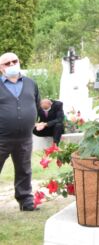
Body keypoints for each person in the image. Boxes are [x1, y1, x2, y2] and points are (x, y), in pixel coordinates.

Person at [0, 52, 41, 211]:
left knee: (24, 170)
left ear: (19, 61)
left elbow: (36, 103)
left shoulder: (31, 83)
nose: (11, 65)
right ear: (1, 68)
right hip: (1, 138)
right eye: (7, 63)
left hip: (25, 138)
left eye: (14, 61)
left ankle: (26, 202)